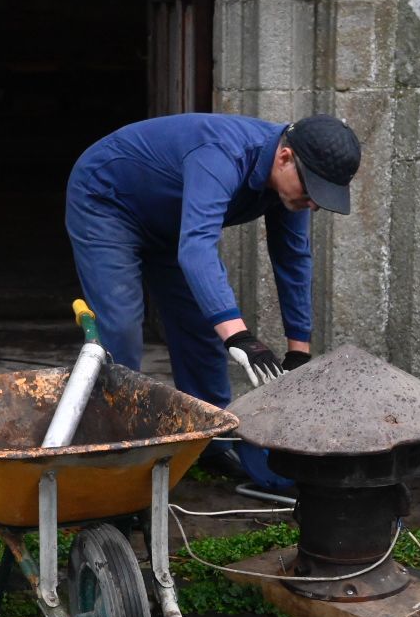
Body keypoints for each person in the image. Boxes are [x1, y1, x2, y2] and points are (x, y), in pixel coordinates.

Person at [62, 113, 362, 430]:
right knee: (120, 327)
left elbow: (293, 259)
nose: (313, 204)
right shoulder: (223, 153)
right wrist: (240, 337)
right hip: (108, 201)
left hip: (172, 222)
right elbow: (196, 249)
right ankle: (113, 442)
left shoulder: (291, 187)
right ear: (285, 158)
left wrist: (298, 351)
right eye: (311, 189)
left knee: (203, 330)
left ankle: (210, 439)